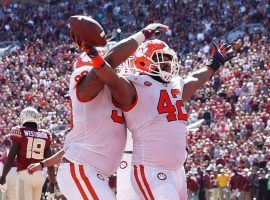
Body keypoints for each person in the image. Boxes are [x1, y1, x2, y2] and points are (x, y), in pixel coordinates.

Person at [76, 25, 234, 199]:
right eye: (161, 58)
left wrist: (215, 63)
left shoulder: (175, 84)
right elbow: (112, 79)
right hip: (151, 170)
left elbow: (195, 79)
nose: (168, 63)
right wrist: (95, 57)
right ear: (143, 61)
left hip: (177, 170)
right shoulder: (135, 85)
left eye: (168, 58)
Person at [40, 19, 168, 199]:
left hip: (94, 172)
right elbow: (107, 62)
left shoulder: (115, 84)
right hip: (82, 169)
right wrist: (143, 35)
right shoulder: (84, 78)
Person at [0, 107, 56, 200]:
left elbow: (11, 157)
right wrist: (52, 182)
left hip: (25, 174)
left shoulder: (19, 131)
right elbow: (50, 162)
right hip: (39, 176)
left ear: (23, 118)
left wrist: (3, 176)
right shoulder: (45, 134)